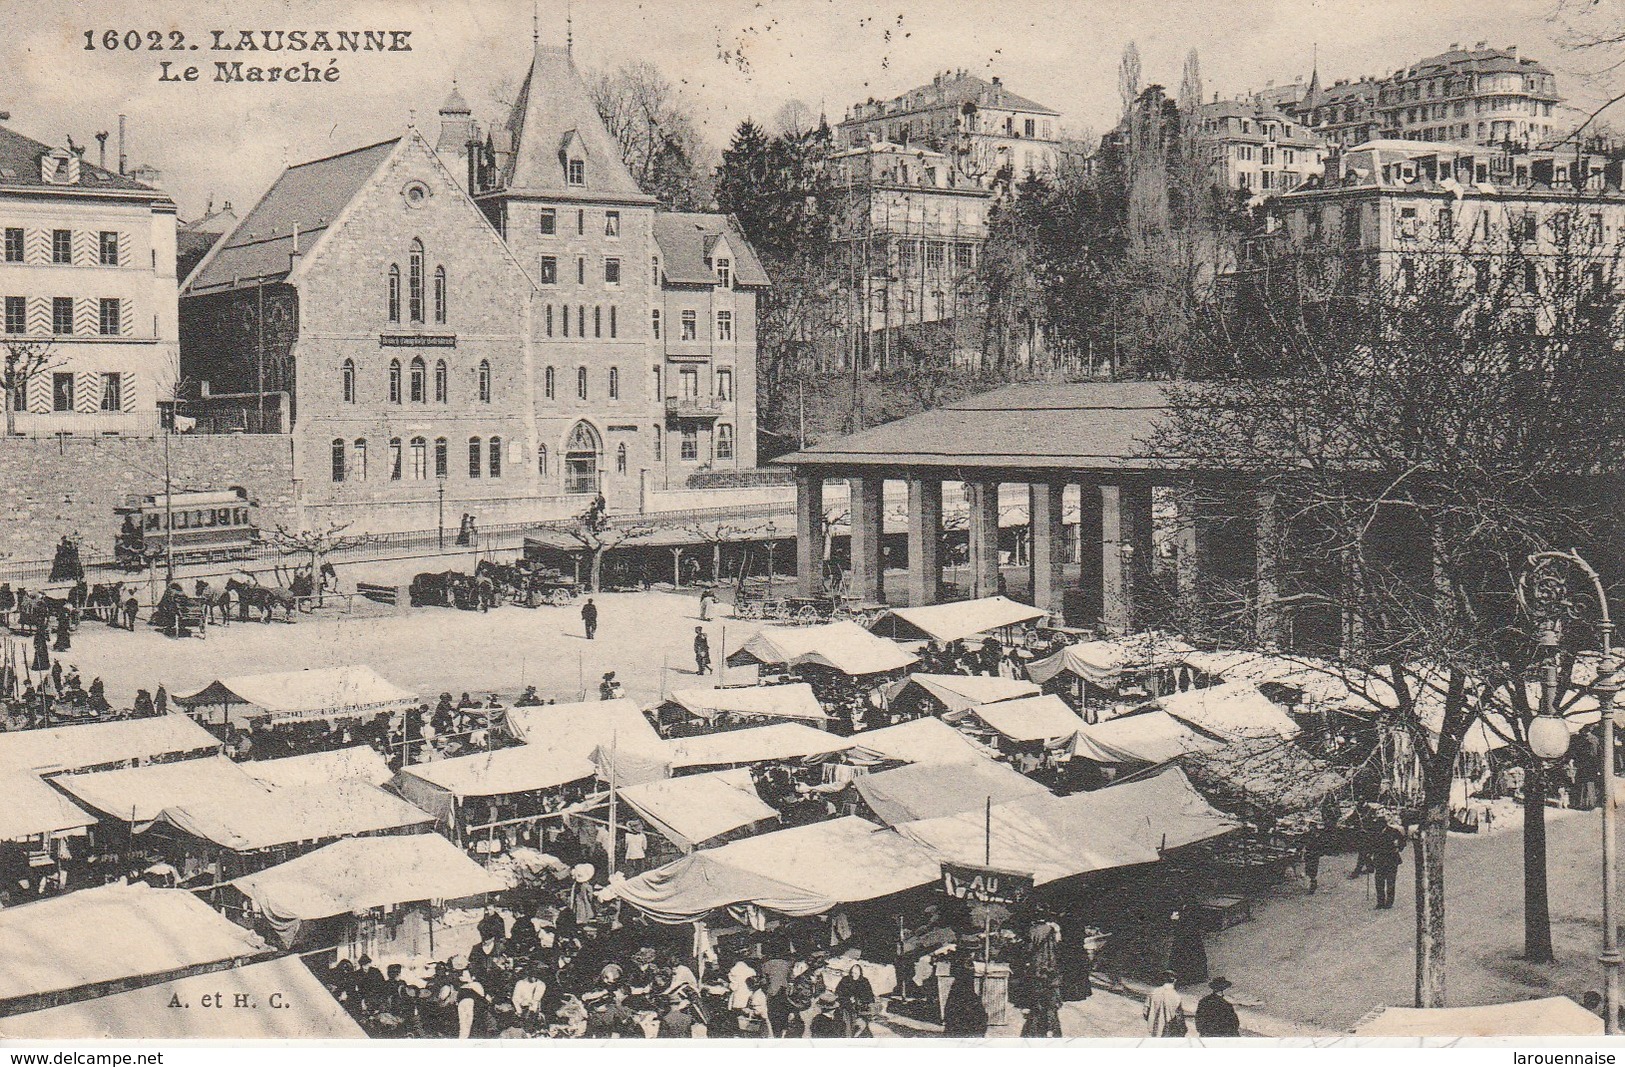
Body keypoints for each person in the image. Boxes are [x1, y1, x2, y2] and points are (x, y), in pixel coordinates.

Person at [941, 954, 989, 1037]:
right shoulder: (967, 961)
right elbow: (968, 973)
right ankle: (967, 1028)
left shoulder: (956, 960)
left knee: (955, 1004)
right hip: (966, 987)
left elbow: (952, 972)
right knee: (967, 1005)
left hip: (958, 987)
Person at [1373, 818, 1406, 909]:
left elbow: (1403, 842)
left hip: (1392, 860)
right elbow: (1370, 844)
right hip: (1379, 860)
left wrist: (1399, 848)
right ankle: (1380, 902)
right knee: (1379, 882)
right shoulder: (1375, 832)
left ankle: (1389, 902)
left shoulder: (1394, 832)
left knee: (1390, 882)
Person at [835, 963, 876, 1037]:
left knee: (862, 1025)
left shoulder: (865, 982)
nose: (854, 975)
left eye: (856, 973)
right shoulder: (845, 980)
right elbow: (838, 992)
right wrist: (848, 999)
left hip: (860, 1007)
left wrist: (859, 1000)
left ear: (860, 973)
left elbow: (870, 996)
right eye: (852, 973)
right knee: (847, 1022)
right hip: (846, 1006)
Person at [1146, 970, 1183, 1037]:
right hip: (1169, 1032)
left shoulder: (1153, 992)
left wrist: (1153, 1020)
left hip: (1155, 1031)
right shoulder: (1177, 997)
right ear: (1174, 980)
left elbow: (1145, 1012)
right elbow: (1179, 1018)